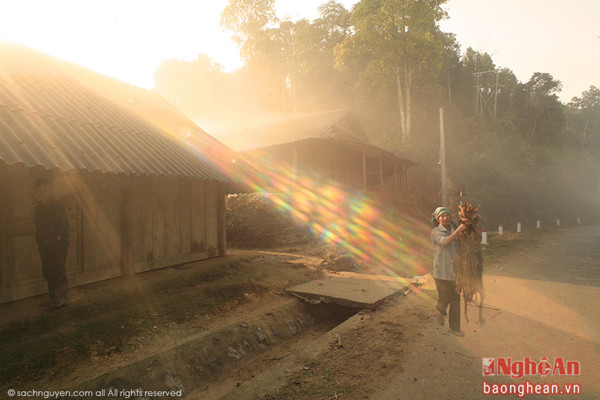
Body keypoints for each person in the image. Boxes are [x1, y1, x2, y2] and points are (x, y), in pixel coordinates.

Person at [430, 206, 466, 336]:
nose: (445, 218)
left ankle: (454, 328)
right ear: (437, 219)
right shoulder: (435, 232)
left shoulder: (454, 230)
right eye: (442, 216)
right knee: (445, 297)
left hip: (454, 272)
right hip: (441, 272)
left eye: (447, 215)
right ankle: (440, 310)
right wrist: (459, 230)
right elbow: (445, 242)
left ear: (450, 217)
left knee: (455, 300)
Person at [34, 178, 69, 308]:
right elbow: (38, 228)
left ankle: (61, 299)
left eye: (46, 190)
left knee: (58, 270)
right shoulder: (37, 209)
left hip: (57, 245)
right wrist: (40, 241)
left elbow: (62, 225)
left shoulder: (57, 206)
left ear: (50, 191)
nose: (43, 193)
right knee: (47, 271)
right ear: (37, 192)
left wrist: (57, 240)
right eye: (40, 190)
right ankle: (53, 298)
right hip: (44, 245)